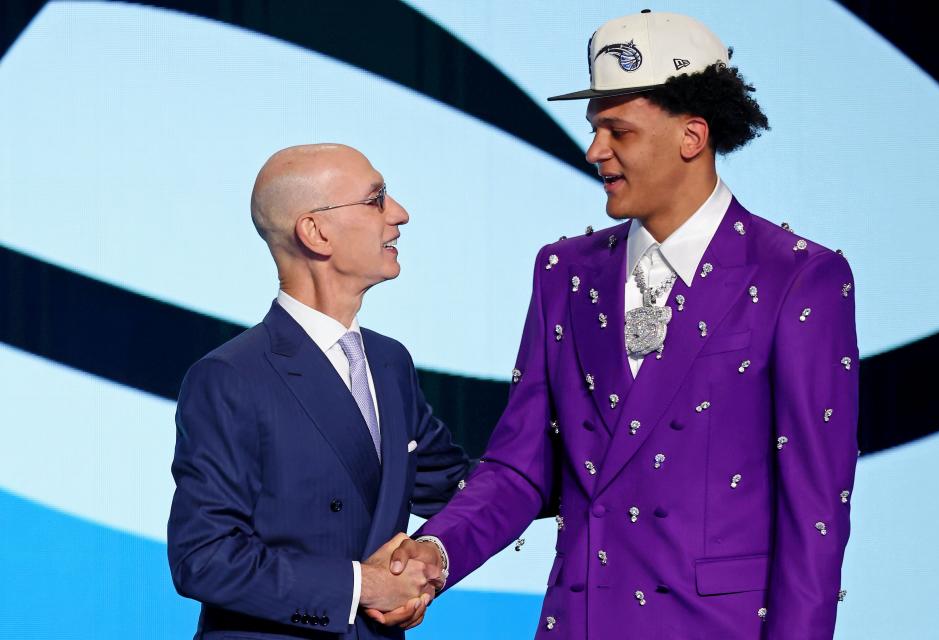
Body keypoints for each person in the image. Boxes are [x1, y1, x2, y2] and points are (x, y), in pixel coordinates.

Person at [390, 10, 859, 639]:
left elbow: (814, 513)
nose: (594, 151)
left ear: (692, 136)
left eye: (619, 131)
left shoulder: (798, 279)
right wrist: (437, 552)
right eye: (594, 129)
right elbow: (519, 466)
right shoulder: (564, 271)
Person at [167, 143, 470, 639]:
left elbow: (453, 487)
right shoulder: (229, 377)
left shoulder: (390, 361)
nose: (399, 215)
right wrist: (361, 587)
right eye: (377, 199)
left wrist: (599, 463)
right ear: (316, 231)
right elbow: (204, 557)